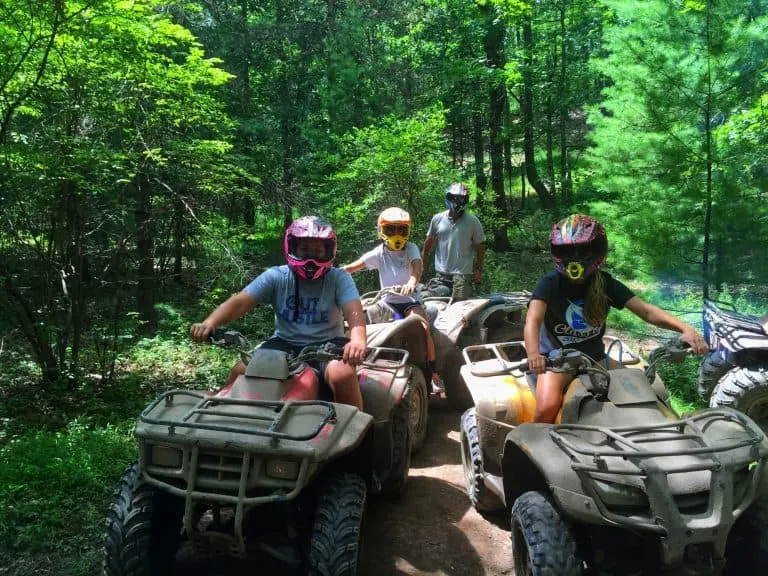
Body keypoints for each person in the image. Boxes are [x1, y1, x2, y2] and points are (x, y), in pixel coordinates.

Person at [524, 214, 709, 424]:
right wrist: (534, 354)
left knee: (643, 393)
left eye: (583, 251)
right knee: (546, 409)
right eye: (566, 251)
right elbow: (533, 319)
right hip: (557, 361)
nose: (574, 258)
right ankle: (533, 449)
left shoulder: (605, 284)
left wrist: (685, 329)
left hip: (595, 357)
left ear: (597, 252)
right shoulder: (550, 283)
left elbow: (646, 311)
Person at [190, 216, 367, 410]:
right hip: (283, 343)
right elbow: (241, 301)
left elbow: (353, 309)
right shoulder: (277, 276)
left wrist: (357, 340)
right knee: (240, 370)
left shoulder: (338, 278)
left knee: (343, 374)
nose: (311, 257)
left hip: (328, 344)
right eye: (305, 249)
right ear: (293, 248)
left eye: (318, 251)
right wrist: (210, 323)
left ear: (328, 251)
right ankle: (221, 417)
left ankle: (357, 431)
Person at [342, 207, 440, 386]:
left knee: (423, 328)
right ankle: (360, 364)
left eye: (401, 229)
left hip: (410, 301)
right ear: (381, 230)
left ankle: (433, 372)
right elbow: (353, 267)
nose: (396, 234)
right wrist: (331, 273)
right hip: (387, 302)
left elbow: (417, 267)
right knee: (363, 320)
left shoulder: (411, 248)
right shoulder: (379, 252)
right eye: (391, 229)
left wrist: (411, 283)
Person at [422, 182, 485, 301]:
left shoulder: (473, 221)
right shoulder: (438, 218)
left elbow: (480, 246)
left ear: (465, 199)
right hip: (441, 272)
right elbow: (428, 242)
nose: (458, 201)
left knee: (459, 306)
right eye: (455, 197)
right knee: (438, 302)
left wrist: (478, 269)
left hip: (462, 273)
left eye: (461, 198)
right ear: (449, 198)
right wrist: (423, 264)